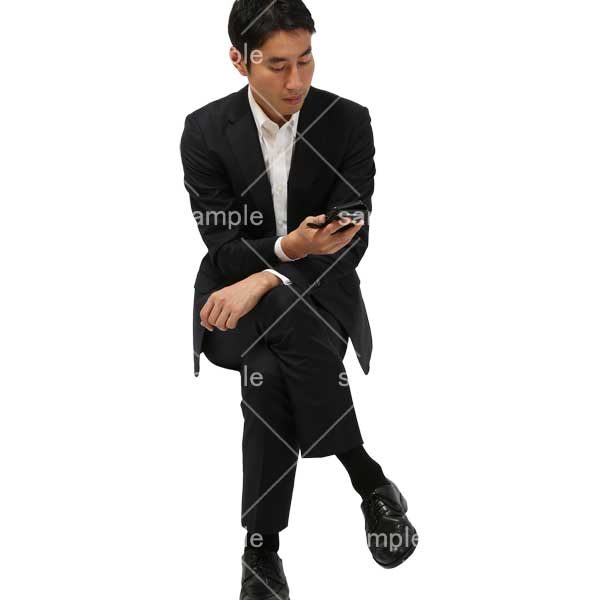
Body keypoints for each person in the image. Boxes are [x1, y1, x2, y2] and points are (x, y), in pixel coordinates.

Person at [180, 1, 418, 597]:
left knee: (267, 369)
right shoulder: (204, 130)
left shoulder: (348, 121)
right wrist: (283, 254)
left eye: (306, 60)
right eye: (278, 65)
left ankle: (260, 554)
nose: (296, 81)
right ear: (240, 61)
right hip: (229, 308)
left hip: (320, 302)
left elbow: (348, 240)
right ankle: (370, 481)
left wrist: (270, 275)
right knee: (269, 340)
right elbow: (223, 249)